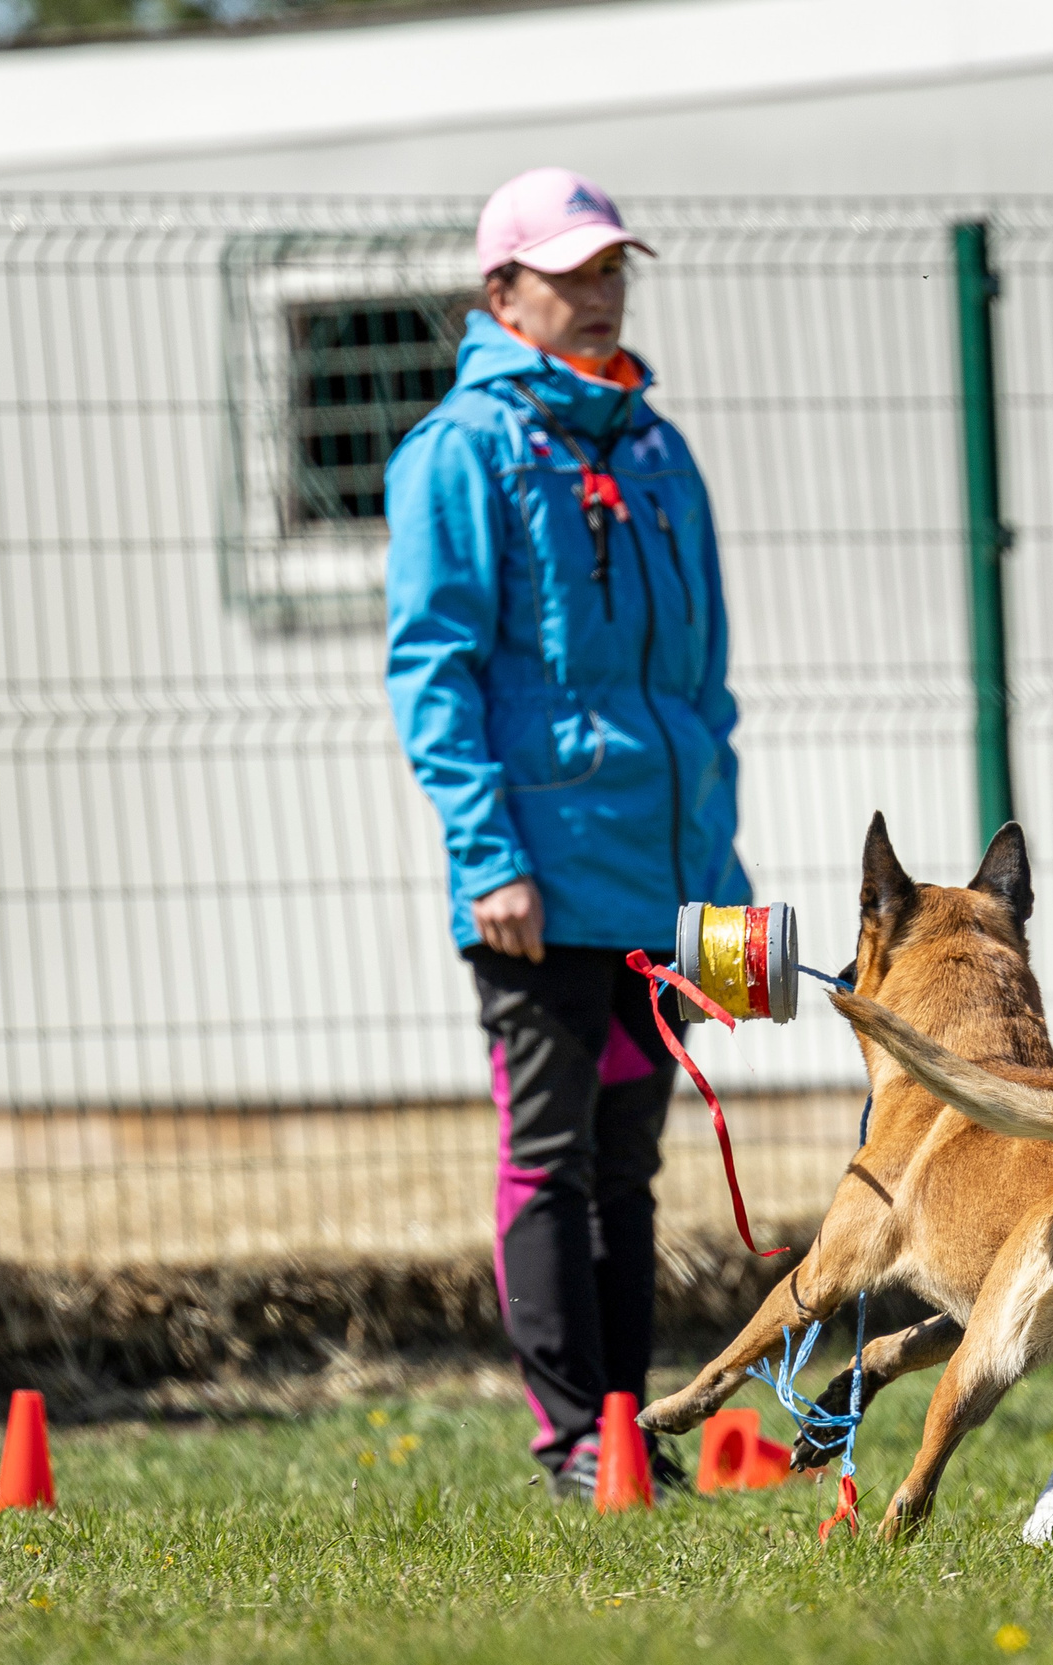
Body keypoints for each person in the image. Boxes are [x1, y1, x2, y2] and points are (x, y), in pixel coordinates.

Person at [384, 167, 748, 1497]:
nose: (601, 294)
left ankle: (624, 1434)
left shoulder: (657, 452)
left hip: (659, 893)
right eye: (573, 273)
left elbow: (700, 698)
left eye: (613, 270)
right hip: (535, 887)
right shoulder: (460, 453)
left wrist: (719, 897)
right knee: (551, 1161)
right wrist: (489, 857)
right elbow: (435, 676)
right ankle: (568, 1445)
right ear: (503, 294)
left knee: (629, 1169)